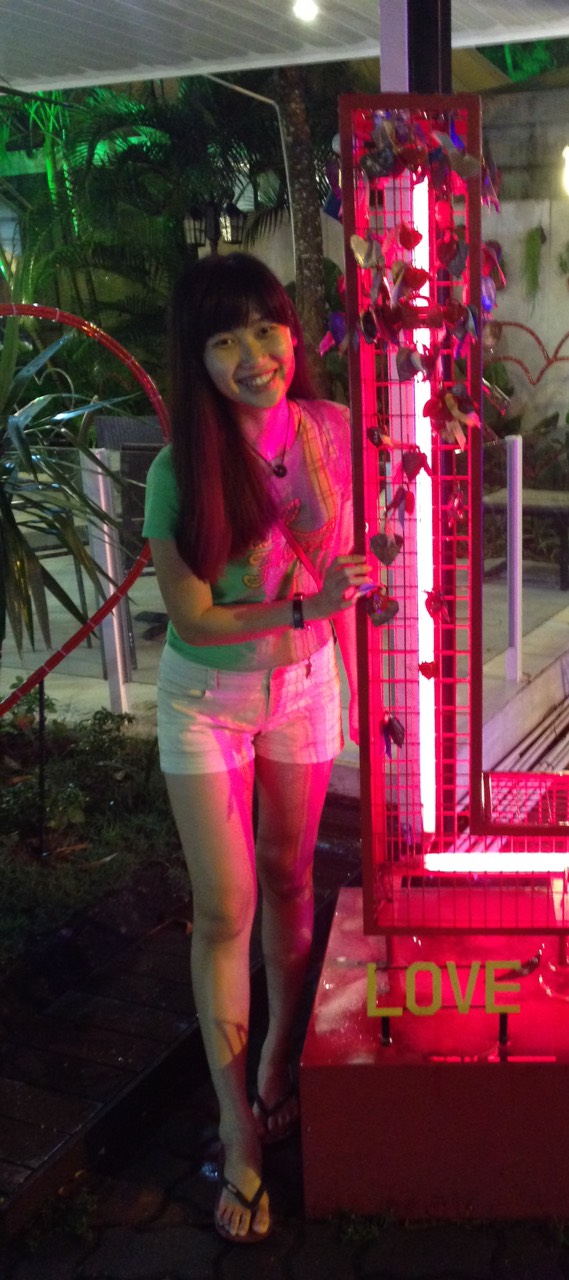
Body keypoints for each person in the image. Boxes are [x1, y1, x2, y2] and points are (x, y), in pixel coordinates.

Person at [143, 252, 370, 1244]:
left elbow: (363, 548)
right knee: (226, 904)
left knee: (289, 875)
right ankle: (237, 1121)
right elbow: (192, 617)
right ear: (196, 358)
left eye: (266, 328)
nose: (253, 355)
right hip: (208, 697)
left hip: (305, 688)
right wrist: (307, 608)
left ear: (293, 332)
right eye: (225, 339)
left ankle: (279, 1049)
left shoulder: (332, 431)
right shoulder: (179, 471)